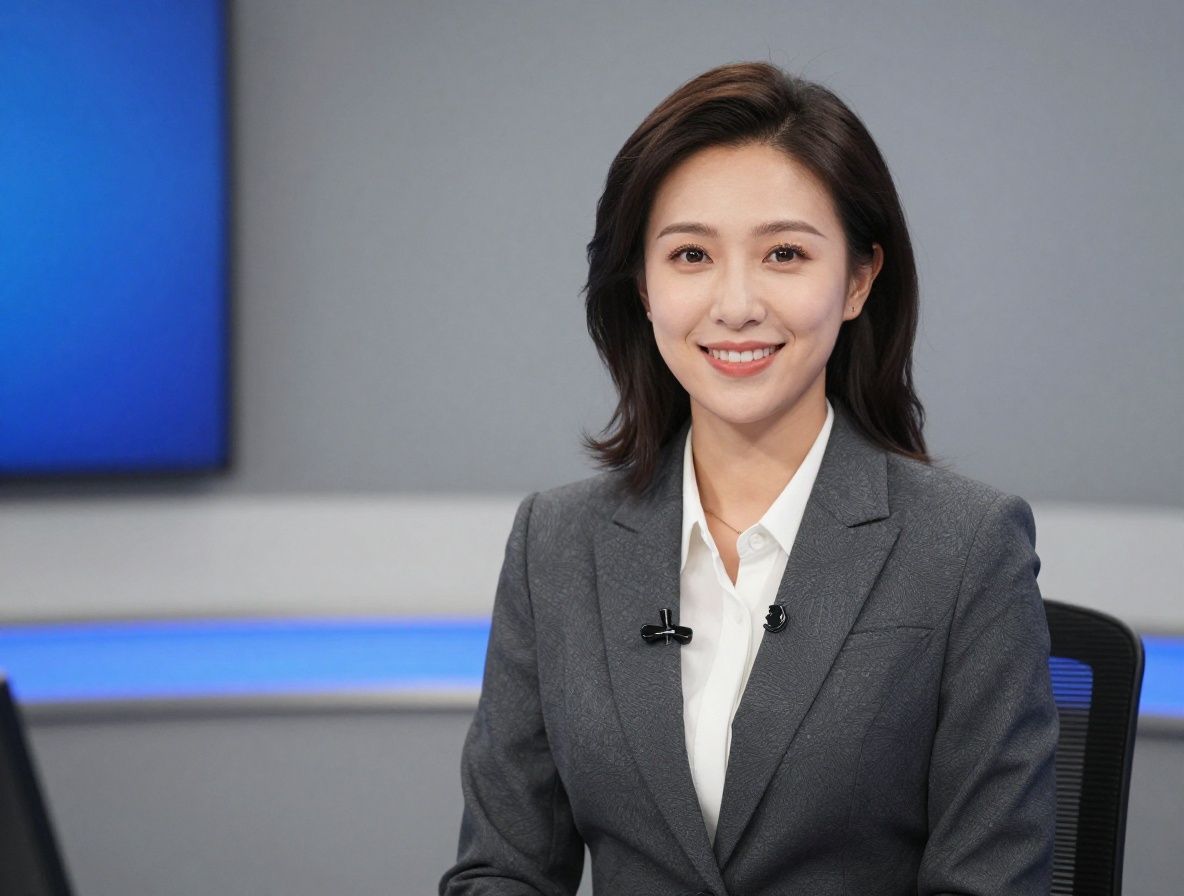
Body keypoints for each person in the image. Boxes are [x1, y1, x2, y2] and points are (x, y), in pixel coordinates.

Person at [439, 61, 1057, 896]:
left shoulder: (966, 548)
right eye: (691, 254)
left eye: (784, 254)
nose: (735, 303)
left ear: (859, 281)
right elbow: (501, 871)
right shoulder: (556, 543)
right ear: (643, 286)